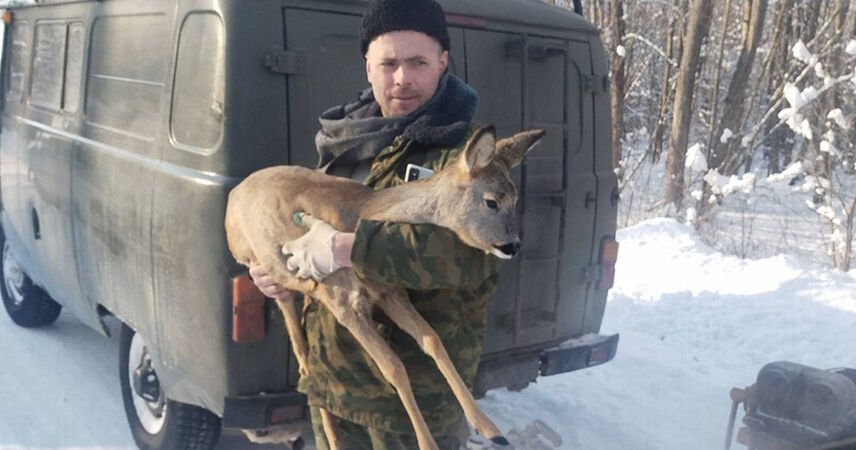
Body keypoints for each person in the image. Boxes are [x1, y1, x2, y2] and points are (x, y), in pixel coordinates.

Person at [251, 0, 500, 447]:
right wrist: (279, 272)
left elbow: (468, 257)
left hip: (411, 413)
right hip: (331, 389)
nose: (402, 78)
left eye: (418, 62)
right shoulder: (343, 143)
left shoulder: (467, 156)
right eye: (389, 63)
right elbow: (307, 242)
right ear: (368, 66)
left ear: (442, 62)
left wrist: (349, 248)